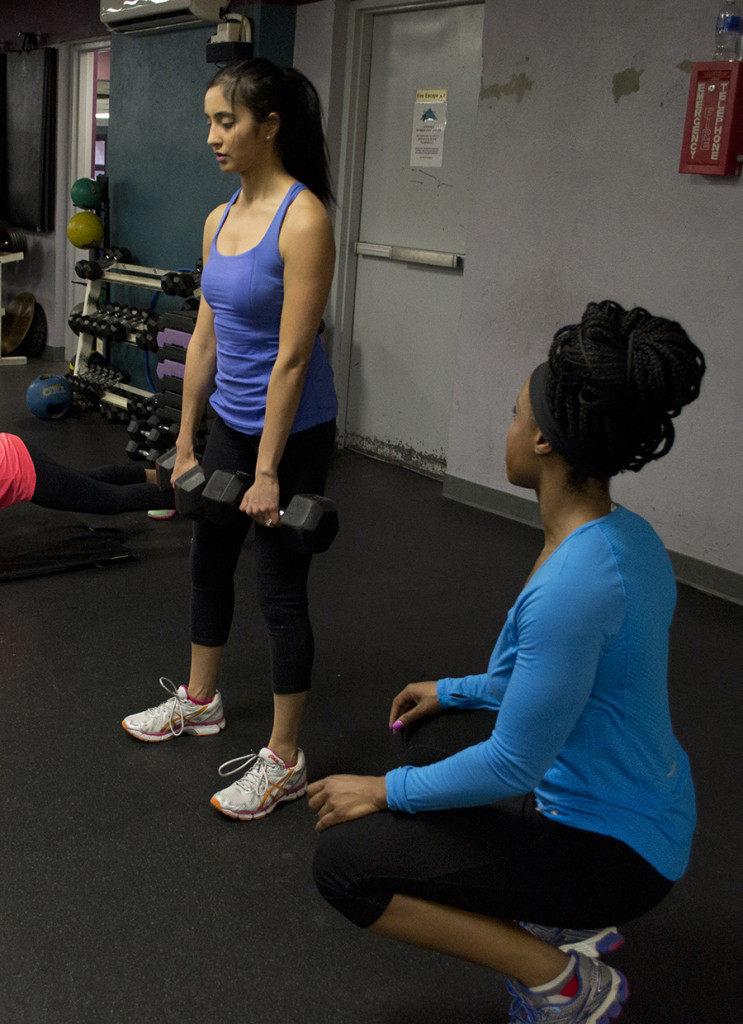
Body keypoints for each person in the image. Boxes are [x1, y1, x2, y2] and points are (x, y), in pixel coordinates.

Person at [309, 300, 705, 1024]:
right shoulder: (620, 536)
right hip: (634, 800)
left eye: (514, 412)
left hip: (617, 851)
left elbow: (511, 768)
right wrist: (454, 689)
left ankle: (562, 981)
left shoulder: (574, 584)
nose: (509, 426)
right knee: (433, 726)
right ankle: (557, 918)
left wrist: (380, 790)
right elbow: (562, 679)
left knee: (344, 868)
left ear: (545, 443)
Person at [122, 58, 338, 822]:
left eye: (226, 121)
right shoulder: (218, 219)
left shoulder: (304, 218)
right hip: (231, 426)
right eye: (209, 120)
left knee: (278, 589)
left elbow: (292, 356)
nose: (212, 136)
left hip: (293, 433)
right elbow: (205, 338)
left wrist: (269, 472)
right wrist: (186, 438)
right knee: (206, 559)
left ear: (269, 125)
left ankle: (283, 758)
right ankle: (200, 700)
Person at [0, 432, 173, 515]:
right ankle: (160, 477)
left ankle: (187, 498)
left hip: (19, 472)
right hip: (10, 448)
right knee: (88, 480)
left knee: (112, 500)